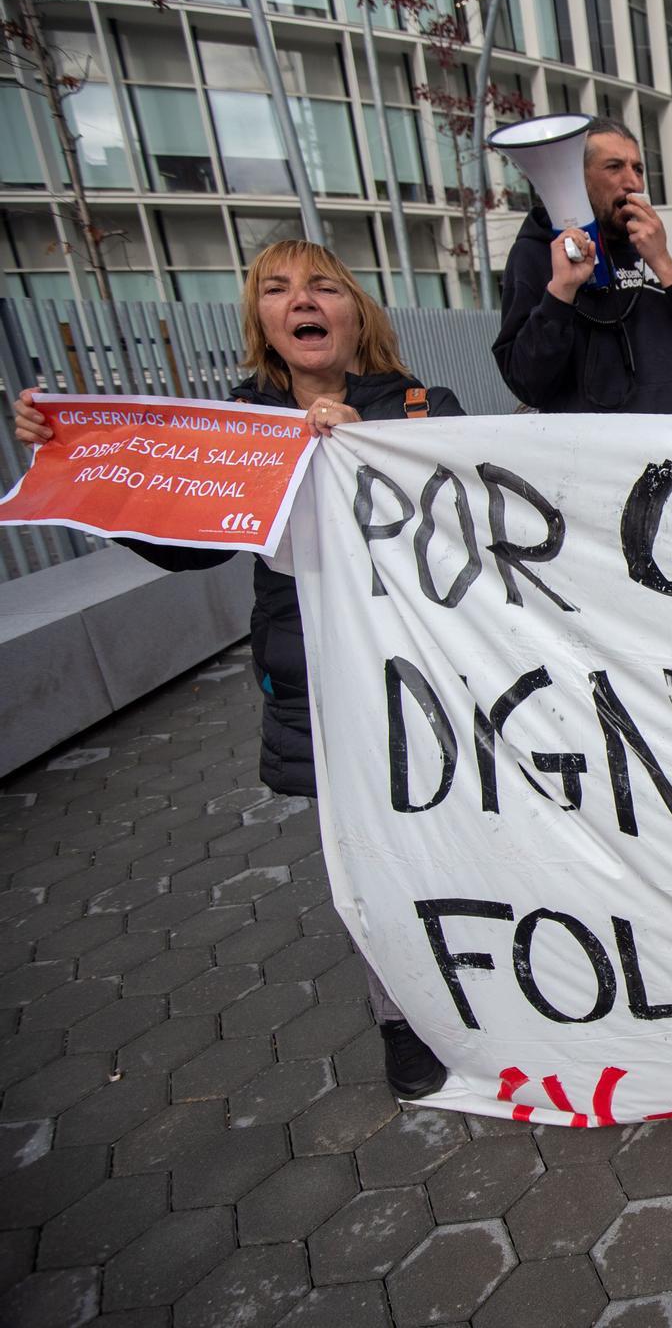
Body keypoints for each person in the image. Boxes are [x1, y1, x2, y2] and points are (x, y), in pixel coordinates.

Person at [12, 240, 462, 1099]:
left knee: (447, 839)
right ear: (261, 318)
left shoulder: (419, 404)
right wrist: (73, 459)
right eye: (278, 289)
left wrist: (372, 450)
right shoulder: (238, 427)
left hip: (423, 669)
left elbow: (458, 515)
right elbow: (185, 547)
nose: (303, 300)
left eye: (324, 285)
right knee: (363, 858)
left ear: (354, 309)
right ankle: (402, 1019)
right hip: (314, 679)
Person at [493, 116, 672, 415]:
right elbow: (527, 382)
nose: (633, 182)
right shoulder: (535, 254)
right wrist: (561, 293)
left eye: (637, 168)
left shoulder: (648, 249)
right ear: (576, 177)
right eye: (614, 167)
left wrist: (663, 264)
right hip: (599, 455)